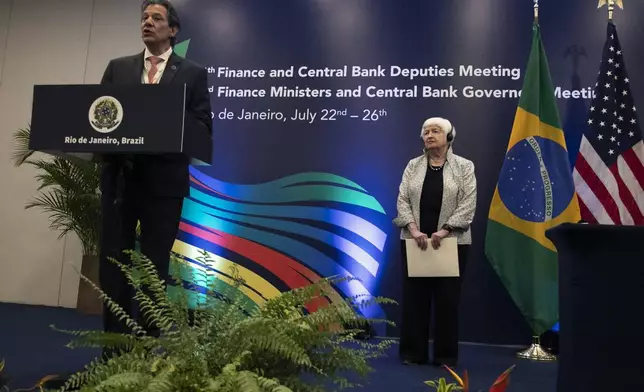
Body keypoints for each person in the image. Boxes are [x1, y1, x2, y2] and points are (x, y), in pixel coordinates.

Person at [98, 0, 212, 340]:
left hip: (164, 184)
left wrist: (169, 120)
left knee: (153, 267)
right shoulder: (118, 68)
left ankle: (147, 347)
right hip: (120, 181)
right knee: (113, 264)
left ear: (173, 30)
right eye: (144, 17)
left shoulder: (192, 73)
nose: (148, 22)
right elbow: (99, 115)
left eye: (157, 18)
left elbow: (203, 125)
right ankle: (114, 344)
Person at [392, 117, 477, 366]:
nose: (429, 135)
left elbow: (468, 203)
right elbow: (402, 199)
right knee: (415, 299)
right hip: (414, 240)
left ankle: (445, 356)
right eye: (426, 132)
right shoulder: (413, 166)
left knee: (447, 301)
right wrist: (413, 229)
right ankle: (412, 353)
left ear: (449, 136)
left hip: (452, 242)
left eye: (436, 131)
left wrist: (445, 230)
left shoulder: (464, 166)